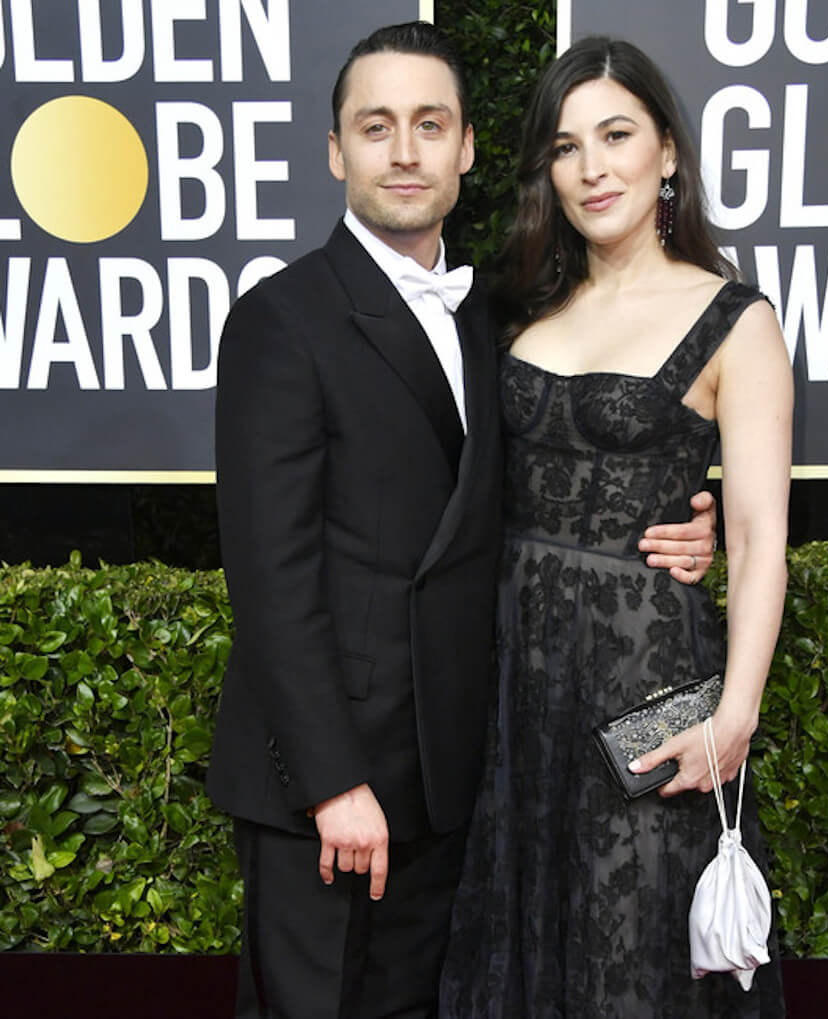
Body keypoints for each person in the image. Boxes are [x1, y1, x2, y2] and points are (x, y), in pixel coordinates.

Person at [206, 22, 717, 1018]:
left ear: (467, 147)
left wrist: (690, 522)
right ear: (334, 150)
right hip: (331, 784)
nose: (404, 150)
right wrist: (330, 782)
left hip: (455, 776)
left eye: (429, 124)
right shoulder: (282, 316)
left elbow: (556, 480)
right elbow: (269, 573)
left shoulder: (495, 315)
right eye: (376, 126)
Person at [440, 35, 791, 1018]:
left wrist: (735, 716)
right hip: (512, 683)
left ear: (667, 151)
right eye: (563, 145)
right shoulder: (513, 303)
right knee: (516, 942)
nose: (591, 168)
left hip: (645, 683)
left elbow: (764, 534)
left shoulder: (735, 321)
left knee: (627, 954)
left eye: (616, 134)